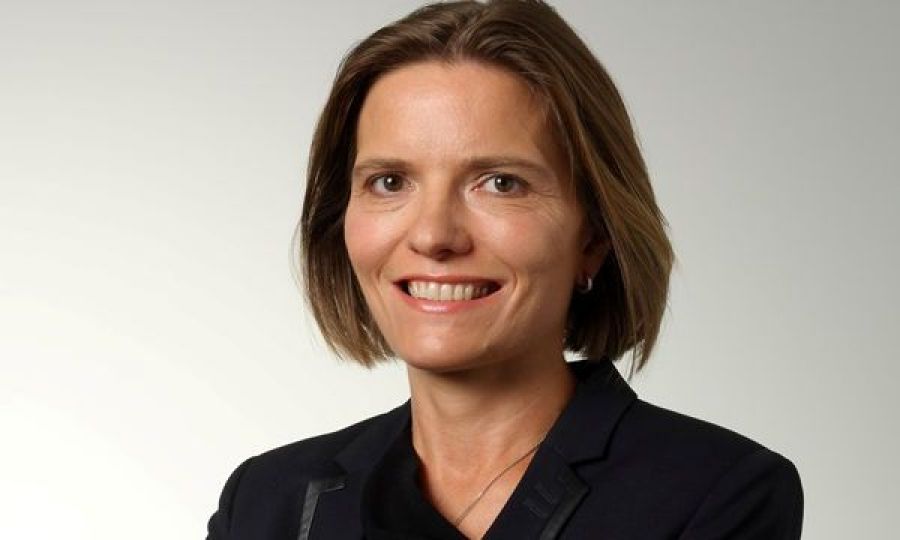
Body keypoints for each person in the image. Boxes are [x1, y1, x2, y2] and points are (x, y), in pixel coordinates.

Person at [206, 1, 804, 538]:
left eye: (500, 183)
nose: (433, 235)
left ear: (594, 236)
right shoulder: (265, 503)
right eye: (389, 182)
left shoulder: (716, 494)